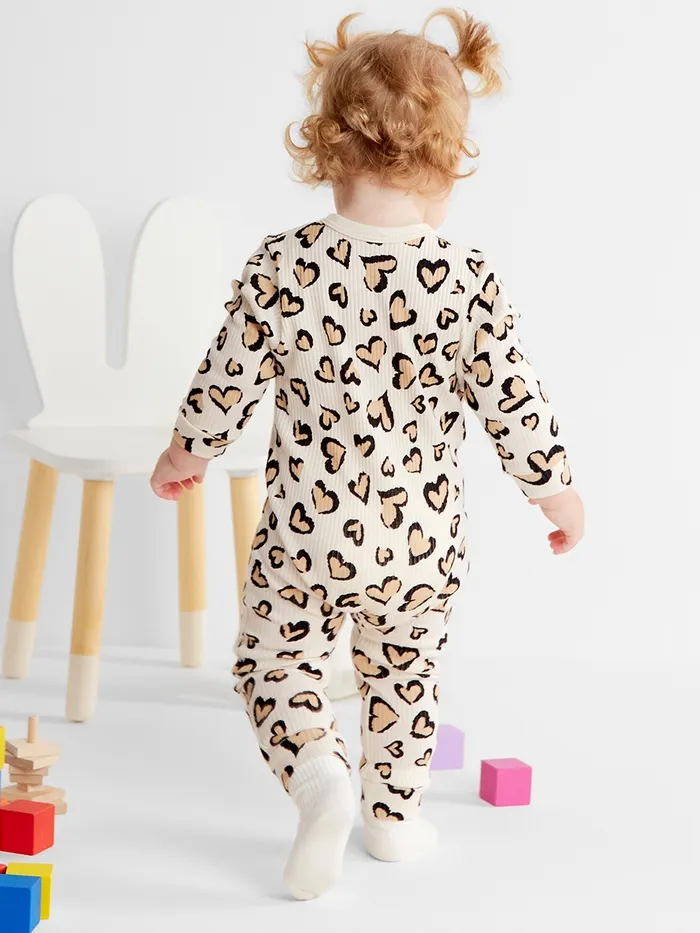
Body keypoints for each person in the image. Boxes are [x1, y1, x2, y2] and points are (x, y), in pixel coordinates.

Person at [150, 7, 584, 900]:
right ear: (448, 163)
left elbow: (225, 380)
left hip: (303, 540)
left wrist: (185, 453)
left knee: (273, 664)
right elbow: (514, 402)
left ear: (326, 147)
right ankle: (393, 819)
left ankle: (319, 773)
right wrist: (557, 492)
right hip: (421, 545)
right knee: (405, 673)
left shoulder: (283, 265)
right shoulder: (467, 280)